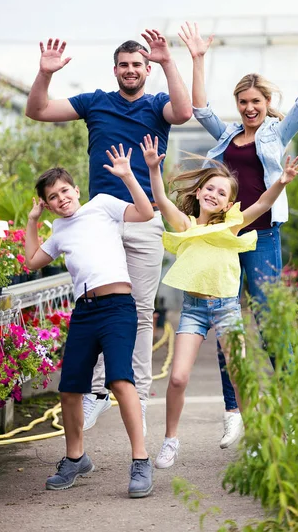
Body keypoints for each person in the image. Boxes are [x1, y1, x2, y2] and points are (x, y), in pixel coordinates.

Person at [178, 10, 298, 449]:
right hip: (222, 240)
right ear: (237, 105)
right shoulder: (225, 137)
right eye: (243, 102)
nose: (250, 108)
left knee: (269, 320)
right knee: (226, 323)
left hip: (261, 238)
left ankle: (293, 409)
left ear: (265, 102)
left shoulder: (277, 132)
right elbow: (199, 109)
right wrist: (198, 58)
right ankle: (233, 411)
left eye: (256, 101)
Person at [25, 31, 192, 432]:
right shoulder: (95, 102)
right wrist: (45, 73)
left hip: (143, 216)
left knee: (140, 311)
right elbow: (38, 110)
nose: (130, 70)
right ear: (115, 69)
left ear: (147, 70)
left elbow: (185, 112)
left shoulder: (156, 105)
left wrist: (171, 61)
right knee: (99, 306)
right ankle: (98, 392)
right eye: (124, 65)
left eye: (138, 65)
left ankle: (137, 396)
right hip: (101, 221)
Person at [140, 134, 298, 468]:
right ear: (199, 192)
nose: (214, 194)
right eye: (210, 188)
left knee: (238, 373)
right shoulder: (185, 225)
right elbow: (160, 198)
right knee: (177, 377)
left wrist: (282, 182)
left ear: (230, 203)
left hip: (227, 309)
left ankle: (255, 438)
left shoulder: (232, 226)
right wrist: (153, 170)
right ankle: (170, 440)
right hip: (194, 311)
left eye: (222, 192)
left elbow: (260, 205)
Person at [25, 145, 154, 497]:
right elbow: (32, 262)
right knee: (69, 388)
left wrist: (127, 175)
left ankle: (140, 461)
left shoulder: (102, 206)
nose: (61, 198)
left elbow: (144, 212)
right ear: (48, 204)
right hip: (84, 311)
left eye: (65, 190)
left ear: (76, 189)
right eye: (53, 197)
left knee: (119, 379)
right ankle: (75, 457)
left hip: (118, 307)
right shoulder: (59, 231)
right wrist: (33, 221)